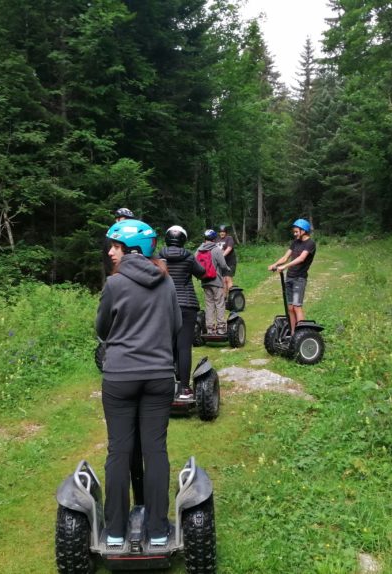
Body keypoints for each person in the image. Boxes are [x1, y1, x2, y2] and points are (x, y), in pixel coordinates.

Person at [96, 219, 182, 548]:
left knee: (119, 450)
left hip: (120, 378)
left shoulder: (114, 285)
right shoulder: (166, 282)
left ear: (132, 250)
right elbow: (175, 326)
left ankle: (116, 532)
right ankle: (159, 531)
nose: (110, 251)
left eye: (116, 246)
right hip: (159, 376)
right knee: (155, 450)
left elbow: (103, 330)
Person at [159, 225, 205, 398]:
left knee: (165, 346)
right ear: (183, 240)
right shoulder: (188, 257)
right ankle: (184, 389)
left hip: (165, 305)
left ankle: (165, 385)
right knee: (184, 347)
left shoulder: (159, 257)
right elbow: (202, 273)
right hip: (187, 305)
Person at [268, 218, 316, 334]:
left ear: (303, 231)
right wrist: (275, 264)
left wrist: (285, 266)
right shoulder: (295, 242)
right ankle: (294, 334)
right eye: (294, 232)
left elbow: (301, 258)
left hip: (299, 278)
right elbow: (285, 257)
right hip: (289, 277)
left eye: (296, 232)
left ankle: (302, 334)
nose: (295, 234)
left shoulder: (310, 243)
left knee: (297, 307)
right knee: (290, 308)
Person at [195, 229, 230, 335]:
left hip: (205, 281)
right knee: (219, 303)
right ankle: (221, 328)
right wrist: (228, 269)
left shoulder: (198, 250)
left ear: (204, 238)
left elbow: (195, 263)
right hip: (216, 281)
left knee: (209, 304)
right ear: (215, 239)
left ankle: (210, 329)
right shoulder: (216, 249)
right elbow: (223, 265)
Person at [103, 208, 135, 277]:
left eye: (129, 219)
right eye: (125, 219)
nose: (128, 222)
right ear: (117, 220)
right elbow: (107, 257)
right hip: (117, 273)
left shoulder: (133, 235)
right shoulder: (112, 235)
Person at [216, 224, 237, 298]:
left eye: (224, 231)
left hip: (230, 262)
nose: (222, 233)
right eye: (221, 232)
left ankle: (233, 297)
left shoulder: (229, 238)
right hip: (222, 263)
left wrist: (222, 256)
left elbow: (229, 248)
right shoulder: (217, 239)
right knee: (223, 281)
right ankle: (224, 299)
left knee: (228, 279)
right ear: (219, 232)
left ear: (226, 232)